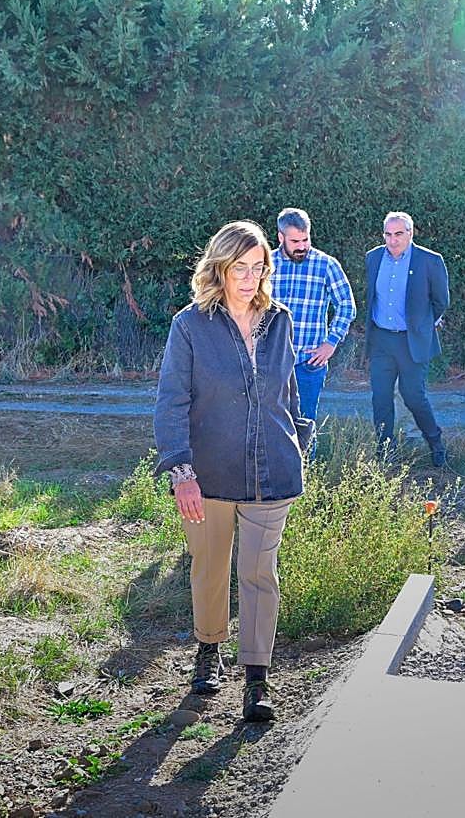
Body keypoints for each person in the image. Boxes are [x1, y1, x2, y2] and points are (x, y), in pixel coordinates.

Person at [154, 220, 313, 722]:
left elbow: (289, 392)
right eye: (239, 267)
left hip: (274, 472)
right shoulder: (190, 325)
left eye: (258, 267)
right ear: (219, 268)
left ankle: (256, 677)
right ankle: (208, 649)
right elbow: (171, 401)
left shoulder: (280, 321)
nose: (249, 277)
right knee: (210, 568)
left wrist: (298, 443)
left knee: (259, 573)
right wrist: (182, 472)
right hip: (209, 475)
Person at [365, 211, 450, 466]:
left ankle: (436, 442)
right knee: (380, 397)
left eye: (399, 234)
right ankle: (385, 452)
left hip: (411, 341)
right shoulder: (374, 257)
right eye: (388, 234)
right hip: (381, 340)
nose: (393, 240)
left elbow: (441, 301)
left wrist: (423, 325)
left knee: (413, 395)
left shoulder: (429, 261)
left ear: (410, 233)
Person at [270, 207, 356, 420]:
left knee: (305, 423)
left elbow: (347, 305)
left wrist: (331, 343)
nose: (302, 247)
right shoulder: (265, 264)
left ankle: (308, 456)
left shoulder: (326, 264)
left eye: (305, 240)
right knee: (269, 425)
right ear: (281, 237)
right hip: (270, 360)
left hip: (308, 363)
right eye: (295, 242)